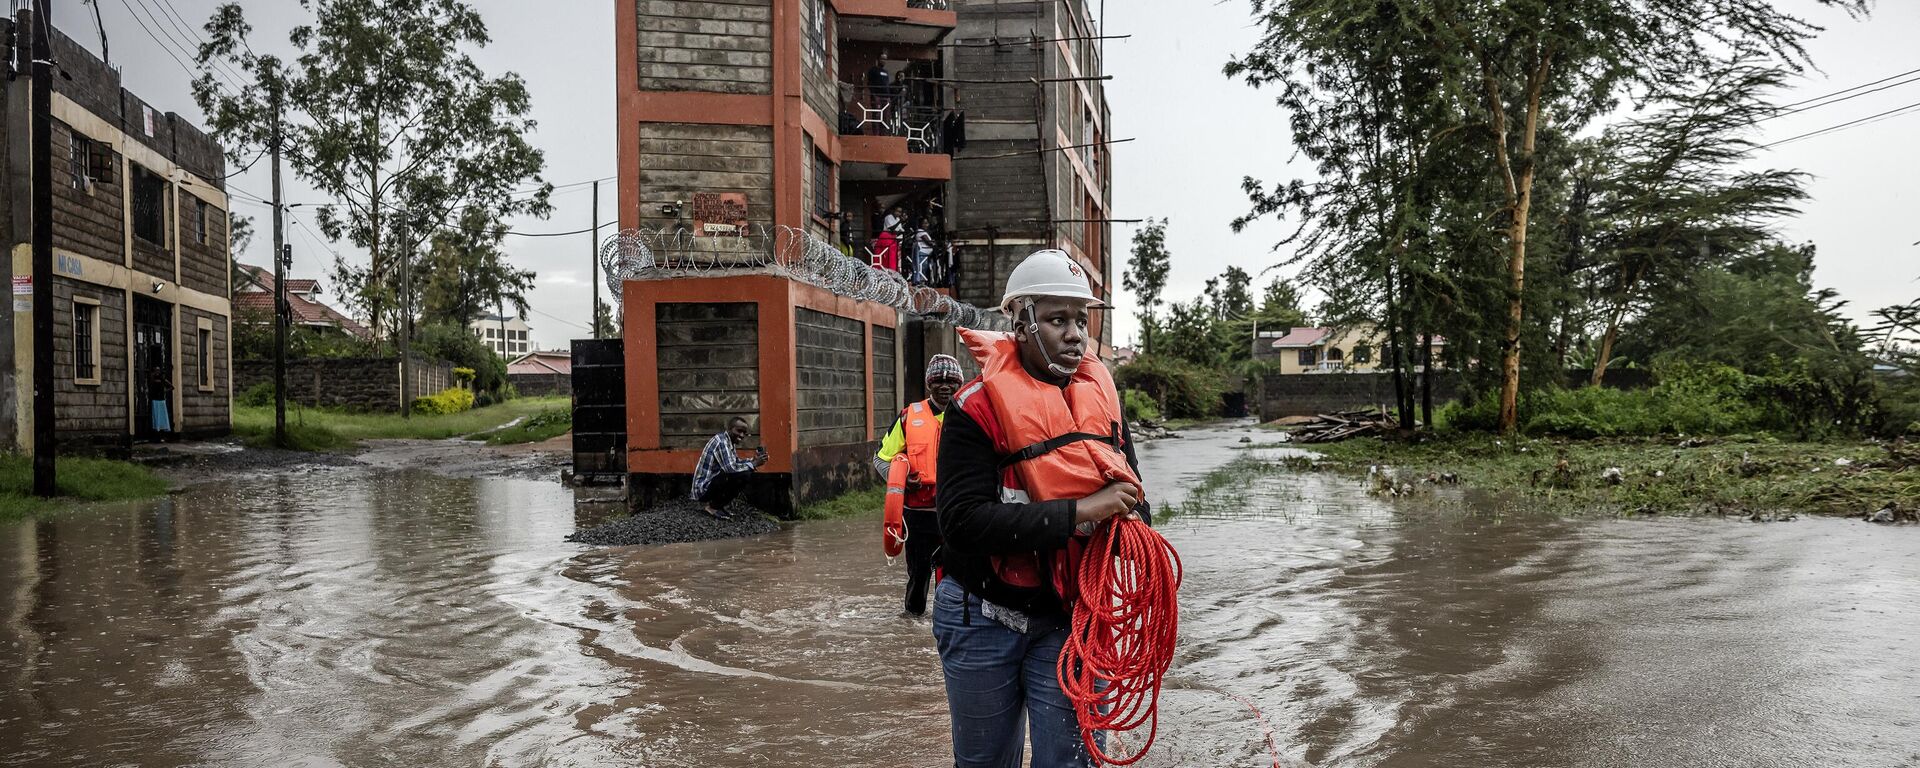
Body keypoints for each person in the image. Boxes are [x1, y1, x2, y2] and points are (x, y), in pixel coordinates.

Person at [934, 249, 1149, 767]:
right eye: (1057, 320)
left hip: (1069, 619)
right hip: (981, 615)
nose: (1074, 334)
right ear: (1020, 322)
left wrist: (1130, 520)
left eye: (1081, 320)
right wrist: (1081, 512)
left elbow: (1136, 502)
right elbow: (962, 523)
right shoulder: (975, 409)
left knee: (1069, 763)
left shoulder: (1102, 406)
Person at [873, 354, 965, 616]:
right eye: (938, 381)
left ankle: (948, 622)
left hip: (956, 513)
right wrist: (902, 480)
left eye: (951, 381)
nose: (945, 386)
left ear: (960, 384)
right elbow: (880, 459)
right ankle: (912, 622)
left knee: (954, 577)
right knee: (919, 575)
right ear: (929, 384)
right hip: (917, 516)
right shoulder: (908, 417)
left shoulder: (970, 416)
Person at [691, 416, 767, 519]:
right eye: (739, 431)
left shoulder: (729, 441)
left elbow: (735, 462)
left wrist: (753, 460)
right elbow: (731, 469)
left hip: (711, 484)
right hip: (703, 489)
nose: (741, 435)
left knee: (743, 473)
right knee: (742, 475)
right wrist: (753, 464)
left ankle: (718, 506)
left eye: (744, 433)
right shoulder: (722, 442)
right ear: (729, 429)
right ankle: (712, 508)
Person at [146, 362, 173, 438]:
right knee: (156, 417)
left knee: (162, 417)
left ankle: (162, 432)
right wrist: (153, 375)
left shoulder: (162, 379)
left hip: (161, 400)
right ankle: (156, 432)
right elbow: (150, 384)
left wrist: (164, 391)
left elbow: (171, 387)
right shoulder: (152, 378)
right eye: (156, 370)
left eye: (158, 370)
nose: (157, 372)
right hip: (155, 400)